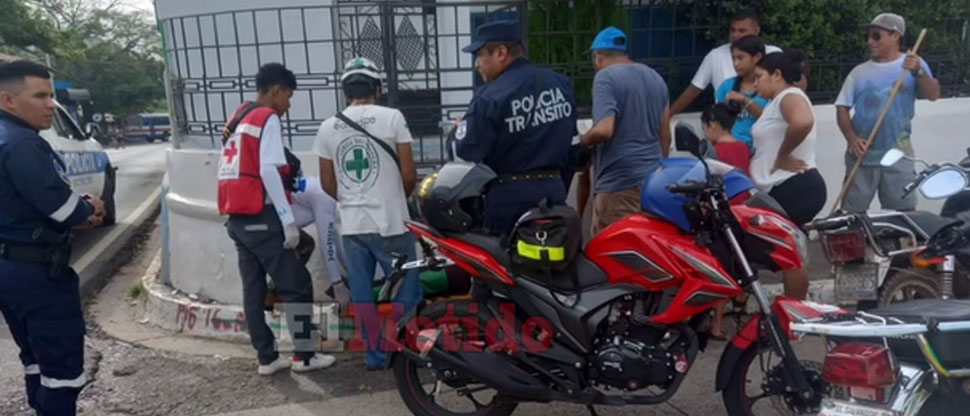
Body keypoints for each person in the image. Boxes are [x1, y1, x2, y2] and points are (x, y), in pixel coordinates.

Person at [0, 60, 106, 415]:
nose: (51, 105)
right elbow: (66, 211)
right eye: (41, 96)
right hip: (36, 273)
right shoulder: (22, 144)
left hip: (9, 268)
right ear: (8, 100)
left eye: (51, 95)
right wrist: (90, 205)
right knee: (63, 371)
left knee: (34, 358)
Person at [218, 62, 335, 375]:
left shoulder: (238, 117)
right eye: (288, 97)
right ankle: (305, 356)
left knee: (253, 289)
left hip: (237, 217)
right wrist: (286, 219)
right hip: (261, 215)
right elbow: (268, 169)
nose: (288, 105)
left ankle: (267, 358)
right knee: (297, 284)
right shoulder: (266, 118)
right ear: (276, 91)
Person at [314, 57, 423, 370]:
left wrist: (352, 199)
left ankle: (375, 357)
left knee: (362, 295)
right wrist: (394, 199)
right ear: (378, 88)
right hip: (391, 223)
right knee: (407, 288)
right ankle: (405, 350)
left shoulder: (327, 127)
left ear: (345, 92)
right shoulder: (393, 118)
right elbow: (409, 174)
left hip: (352, 226)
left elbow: (327, 183)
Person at [454, 20, 577, 236]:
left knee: (505, 256)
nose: (477, 64)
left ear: (501, 53)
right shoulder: (560, 84)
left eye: (480, 55)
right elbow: (571, 141)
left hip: (509, 198)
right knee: (553, 253)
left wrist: (460, 128)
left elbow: (467, 150)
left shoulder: (489, 97)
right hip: (554, 193)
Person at [836, 12, 940, 212]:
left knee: (903, 213)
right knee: (851, 213)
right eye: (868, 36)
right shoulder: (859, 72)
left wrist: (918, 71)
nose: (870, 42)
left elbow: (933, 94)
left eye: (876, 36)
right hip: (862, 155)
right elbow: (842, 107)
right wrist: (852, 138)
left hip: (898, 155)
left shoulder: (913, 65)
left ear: (896, 36)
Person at [750, 51, 826, 300]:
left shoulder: (789, 96)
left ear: (777, 75)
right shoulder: (775, 103)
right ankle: (794, 309)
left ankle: (794, 310)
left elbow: (802, 121)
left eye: (759, 76)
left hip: (794, 186)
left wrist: (783, 154)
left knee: (788, 253)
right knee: (786, 251)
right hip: (783, 187)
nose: (755, 84)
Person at [580, 26, 670, 235]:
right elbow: (665, 135)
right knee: (646, 245)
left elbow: (604, 130)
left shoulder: (605, 77)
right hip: (652, 183)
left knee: (612, 247)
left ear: (598, 56)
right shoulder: (655, 77)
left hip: (618, 183)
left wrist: (583, 140)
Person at [670, 10, 782, 116]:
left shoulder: (773, 53)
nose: (735, 35)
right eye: (732, 30)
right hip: (727, 124)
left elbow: (785, 89)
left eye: (742, 31)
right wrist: (668, 115)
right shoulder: (715, 56)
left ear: (756, 31)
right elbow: (694, 90)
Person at [290, 175, 348, 304]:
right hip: (274, 227)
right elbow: (327, 243)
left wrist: (348, 268)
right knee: (301, 275)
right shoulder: (326, 196)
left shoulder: (323, 186)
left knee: (306, 244)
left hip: (277, 223)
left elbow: (333, 234)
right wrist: (337, 283)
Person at [714, 35, 769, 149]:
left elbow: (768, 119)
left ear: (757, 57)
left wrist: (745, 100)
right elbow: (717, 120)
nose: (736, 64)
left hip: (759, 150)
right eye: (733, 59)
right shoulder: (727, 85)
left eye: (740, 58)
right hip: (731, 149)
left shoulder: (769, 87)